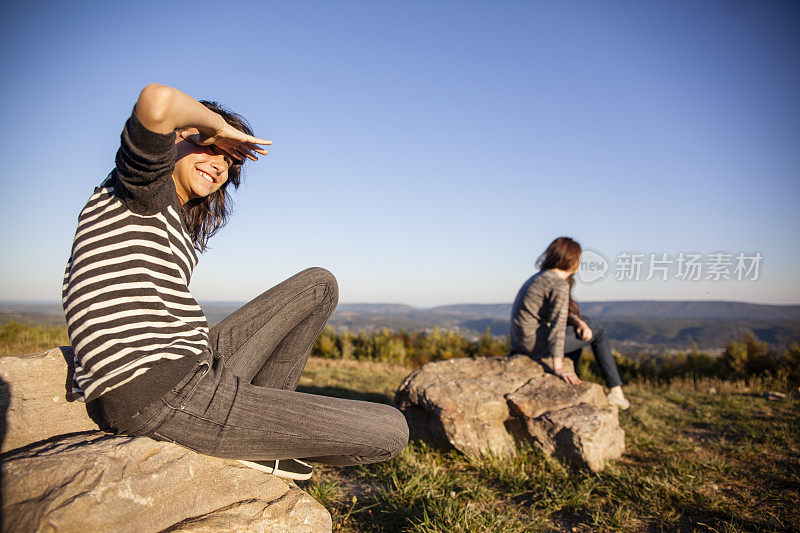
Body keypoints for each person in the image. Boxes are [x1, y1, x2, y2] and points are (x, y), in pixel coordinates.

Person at [62, 83, 408, 480]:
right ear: (174, 138)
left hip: (191, 368)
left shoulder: (170, 220)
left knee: (319, 285)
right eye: (208, 146)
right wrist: (216, 127)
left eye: (229, 161)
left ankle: (259, 441)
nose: (220, 164)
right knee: (391, 431)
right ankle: (264, 444)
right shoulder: (141, 191)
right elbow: (156, 101)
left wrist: (210, 137)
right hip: (161, 393)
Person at [509, 237, 630, 410]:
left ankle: (574, 370)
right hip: (533, 345)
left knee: (586, 322)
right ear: (572, 260)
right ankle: (616, 391)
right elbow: (557, 326)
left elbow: (561, 315)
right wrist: (558, 367)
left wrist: (579, 322)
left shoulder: (542, 277)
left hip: (522, 342)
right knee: (599, 332)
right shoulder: (558, 284)